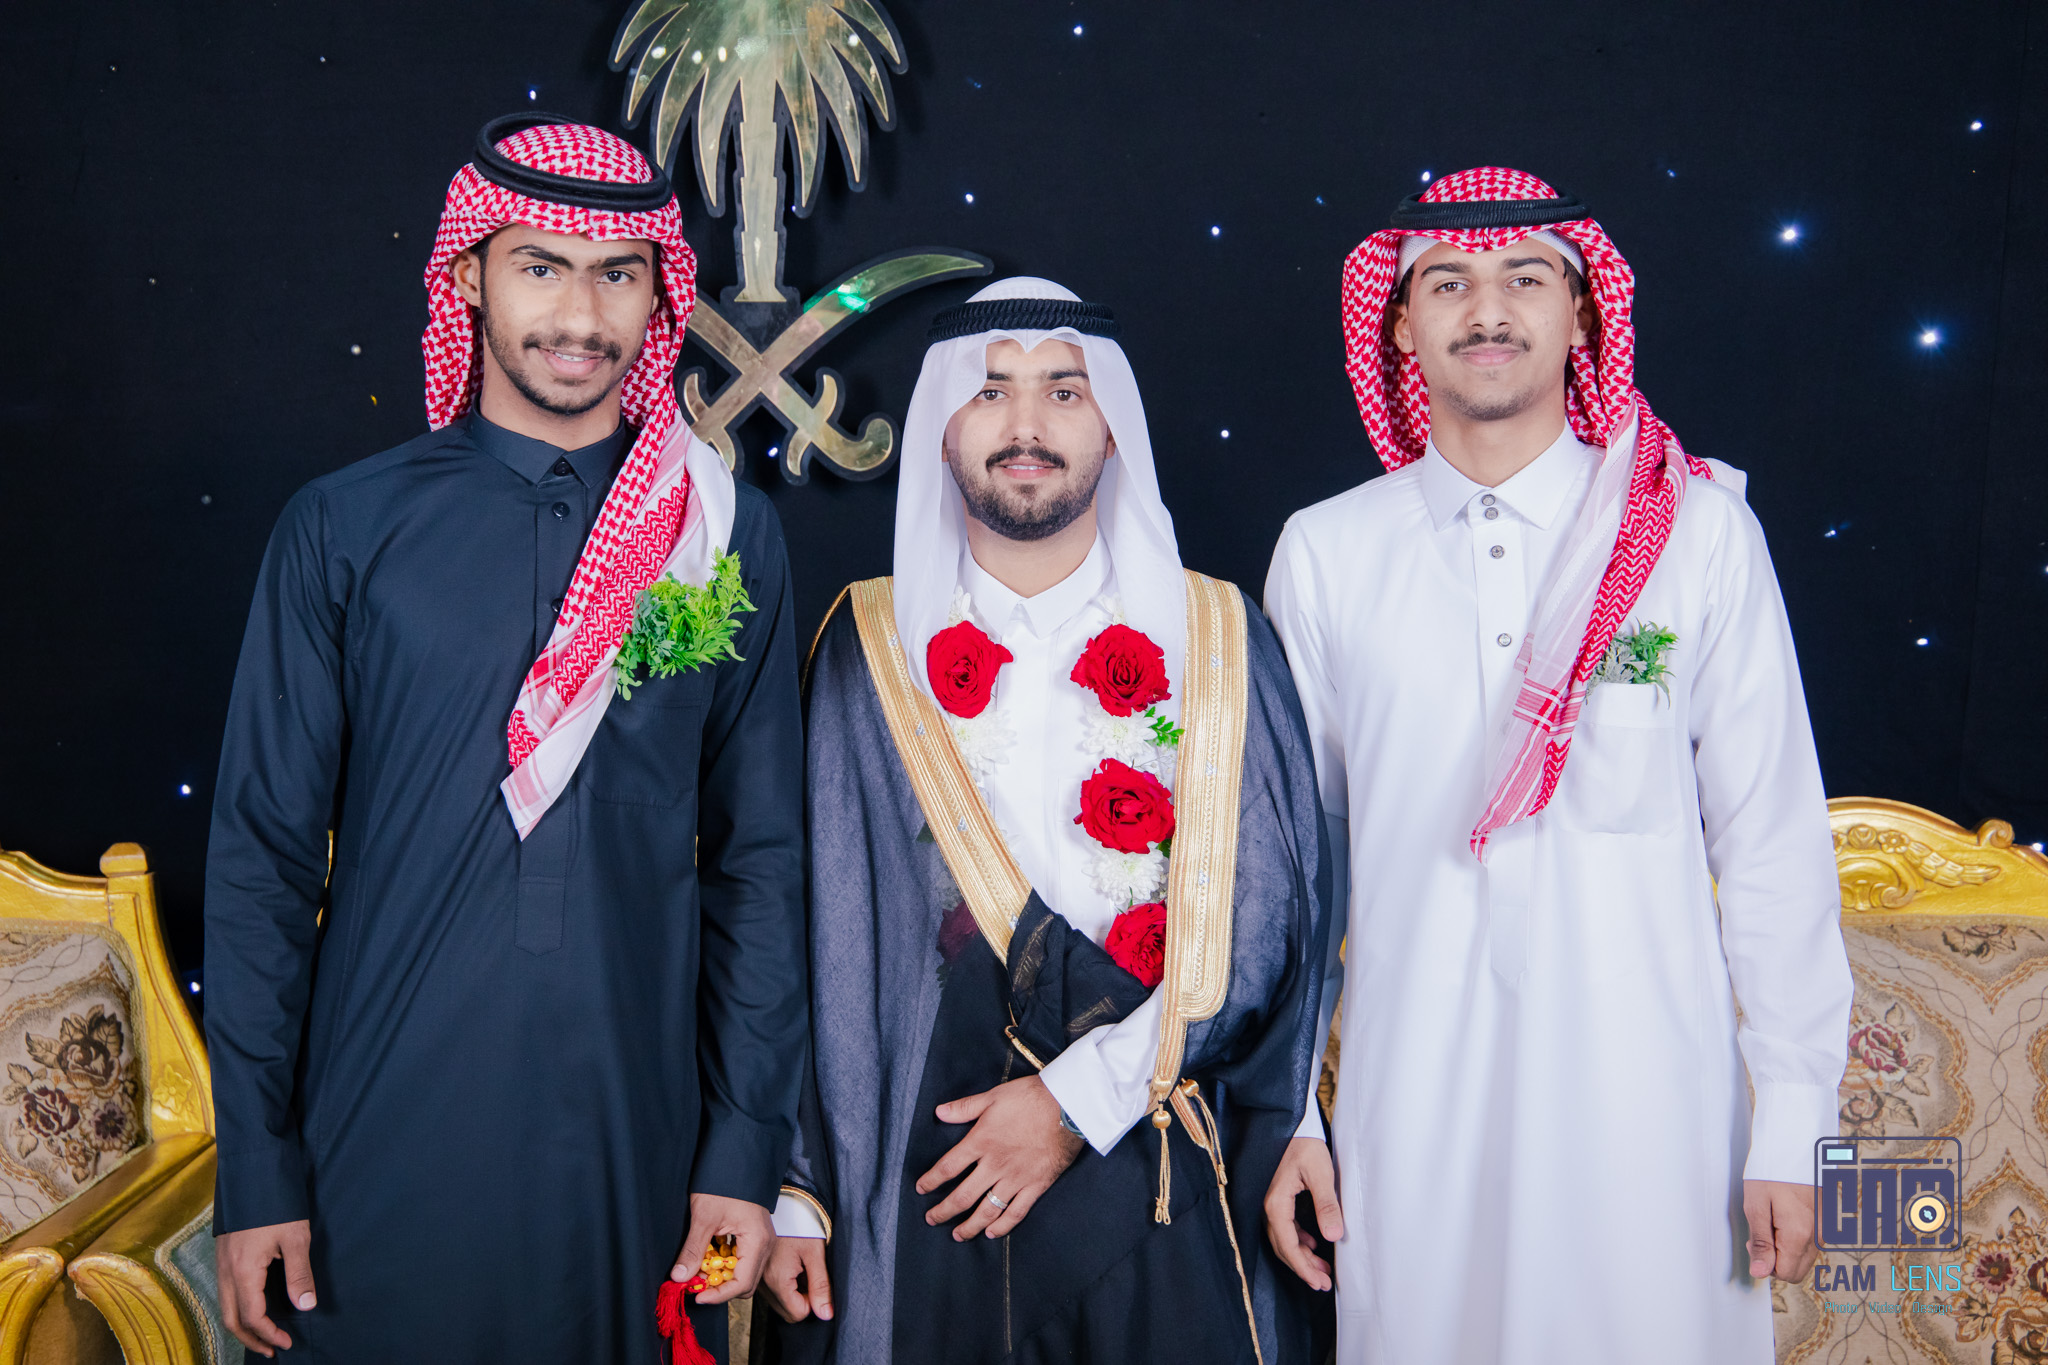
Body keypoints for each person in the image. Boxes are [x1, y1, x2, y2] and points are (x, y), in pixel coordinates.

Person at [203, 115, 806, 1362]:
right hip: (378, 1128)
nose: (580, 315)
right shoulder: (342, 528)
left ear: (656, 297)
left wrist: (743, 1152)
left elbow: (762, 865)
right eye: (541, 268)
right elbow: (262, 860)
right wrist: (257, 1167)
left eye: (617, 275)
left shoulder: (721, 535)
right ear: (469, 275)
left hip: (635, 1143)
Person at [1261, 167, 1852, 1363]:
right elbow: (1289, 874)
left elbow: (1772, 838)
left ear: (1581, 314)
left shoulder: (1692, 533)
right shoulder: (1326, 552)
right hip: (1412, 1120)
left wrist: (1792, 1123)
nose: (1487, 310)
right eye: (1447, 283)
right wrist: (1288, 1116)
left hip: (1653, 1117)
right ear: (1398, 324)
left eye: (1524, 278)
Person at [761, 278, 1334, 1364]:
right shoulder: (866, 647)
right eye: (989, 393)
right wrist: (798, 1189)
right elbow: (815, 926)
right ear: (942, 429)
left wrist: (1073, 1103)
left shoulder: (1215, 634)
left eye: (1063, 391)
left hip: (1154, 1139)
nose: (1024, 425)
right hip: (924, 1160)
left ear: (1111, 425)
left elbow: (1265, 920)